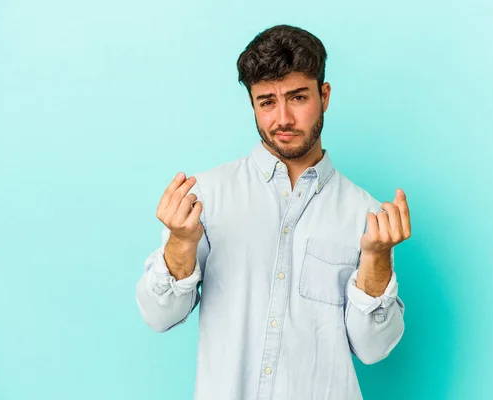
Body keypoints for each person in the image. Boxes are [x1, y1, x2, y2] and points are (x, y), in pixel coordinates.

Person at [136, 24, 411, 400]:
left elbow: (373, 348)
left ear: (324, 95)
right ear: (252, 104)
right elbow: (158, 315)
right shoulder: (206, 197)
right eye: (267, 102)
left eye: (298, 98)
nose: (282, 118)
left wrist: (378, 258)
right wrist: (181, 244)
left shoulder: (366, 216)